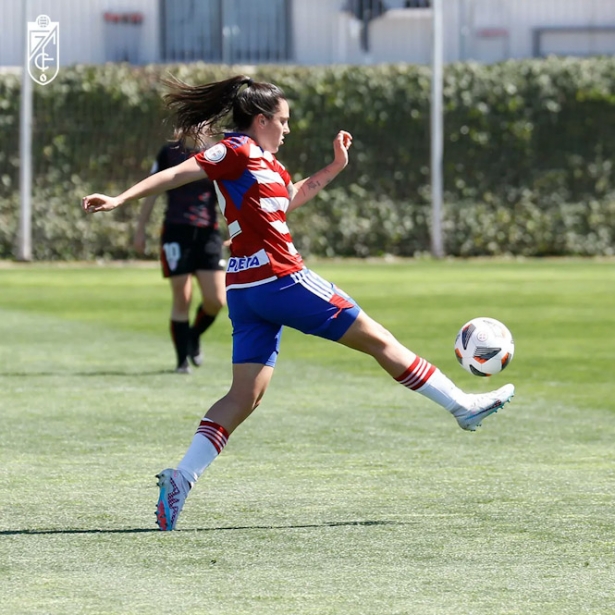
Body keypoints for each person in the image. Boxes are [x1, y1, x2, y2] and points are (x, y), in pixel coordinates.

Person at [82, 75, 515, 531]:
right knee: (380, 340)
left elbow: (290, 199)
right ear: (262, 119)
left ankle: (180, 478)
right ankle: (461, 407)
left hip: (248, 292)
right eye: (283, 121)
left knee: (245, 395)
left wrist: (334, 166)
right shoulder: (235, 150)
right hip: (280, 278)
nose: (287, 129)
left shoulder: (269, 164)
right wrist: (122, 198)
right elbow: (180, 172)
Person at [134, 130, 226, 373]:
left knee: (216, 300)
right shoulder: (169, 153)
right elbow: (152, 190)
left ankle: (193, 337)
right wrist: (140, 229)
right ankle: (181, 361)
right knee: (182, 297)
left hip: (208, 233)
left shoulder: (217, 152)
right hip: (176, 232)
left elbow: (227, 193)